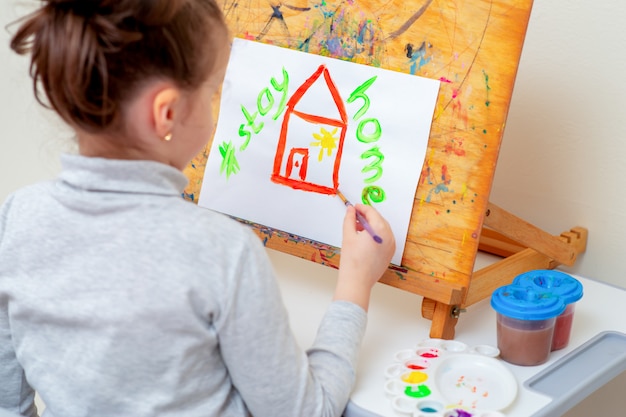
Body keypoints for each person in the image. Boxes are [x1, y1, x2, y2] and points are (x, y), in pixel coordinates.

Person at [0, 1, 396, 416]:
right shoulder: (224, 250)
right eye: (213, 92)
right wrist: (357, 281)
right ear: (167, 114)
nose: (216, 109)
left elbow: (9, 404)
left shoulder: (17, 218)